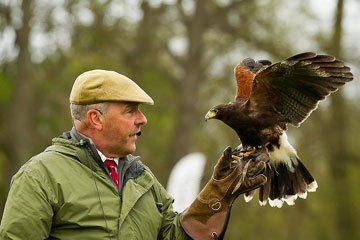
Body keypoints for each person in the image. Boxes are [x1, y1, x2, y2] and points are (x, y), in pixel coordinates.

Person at [0, 69, 268, 240]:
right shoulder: (40, 176)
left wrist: (219, 194)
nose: (142, 120)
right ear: (96, 118)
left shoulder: (142, 179)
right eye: (131, 111)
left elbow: (176, 236)